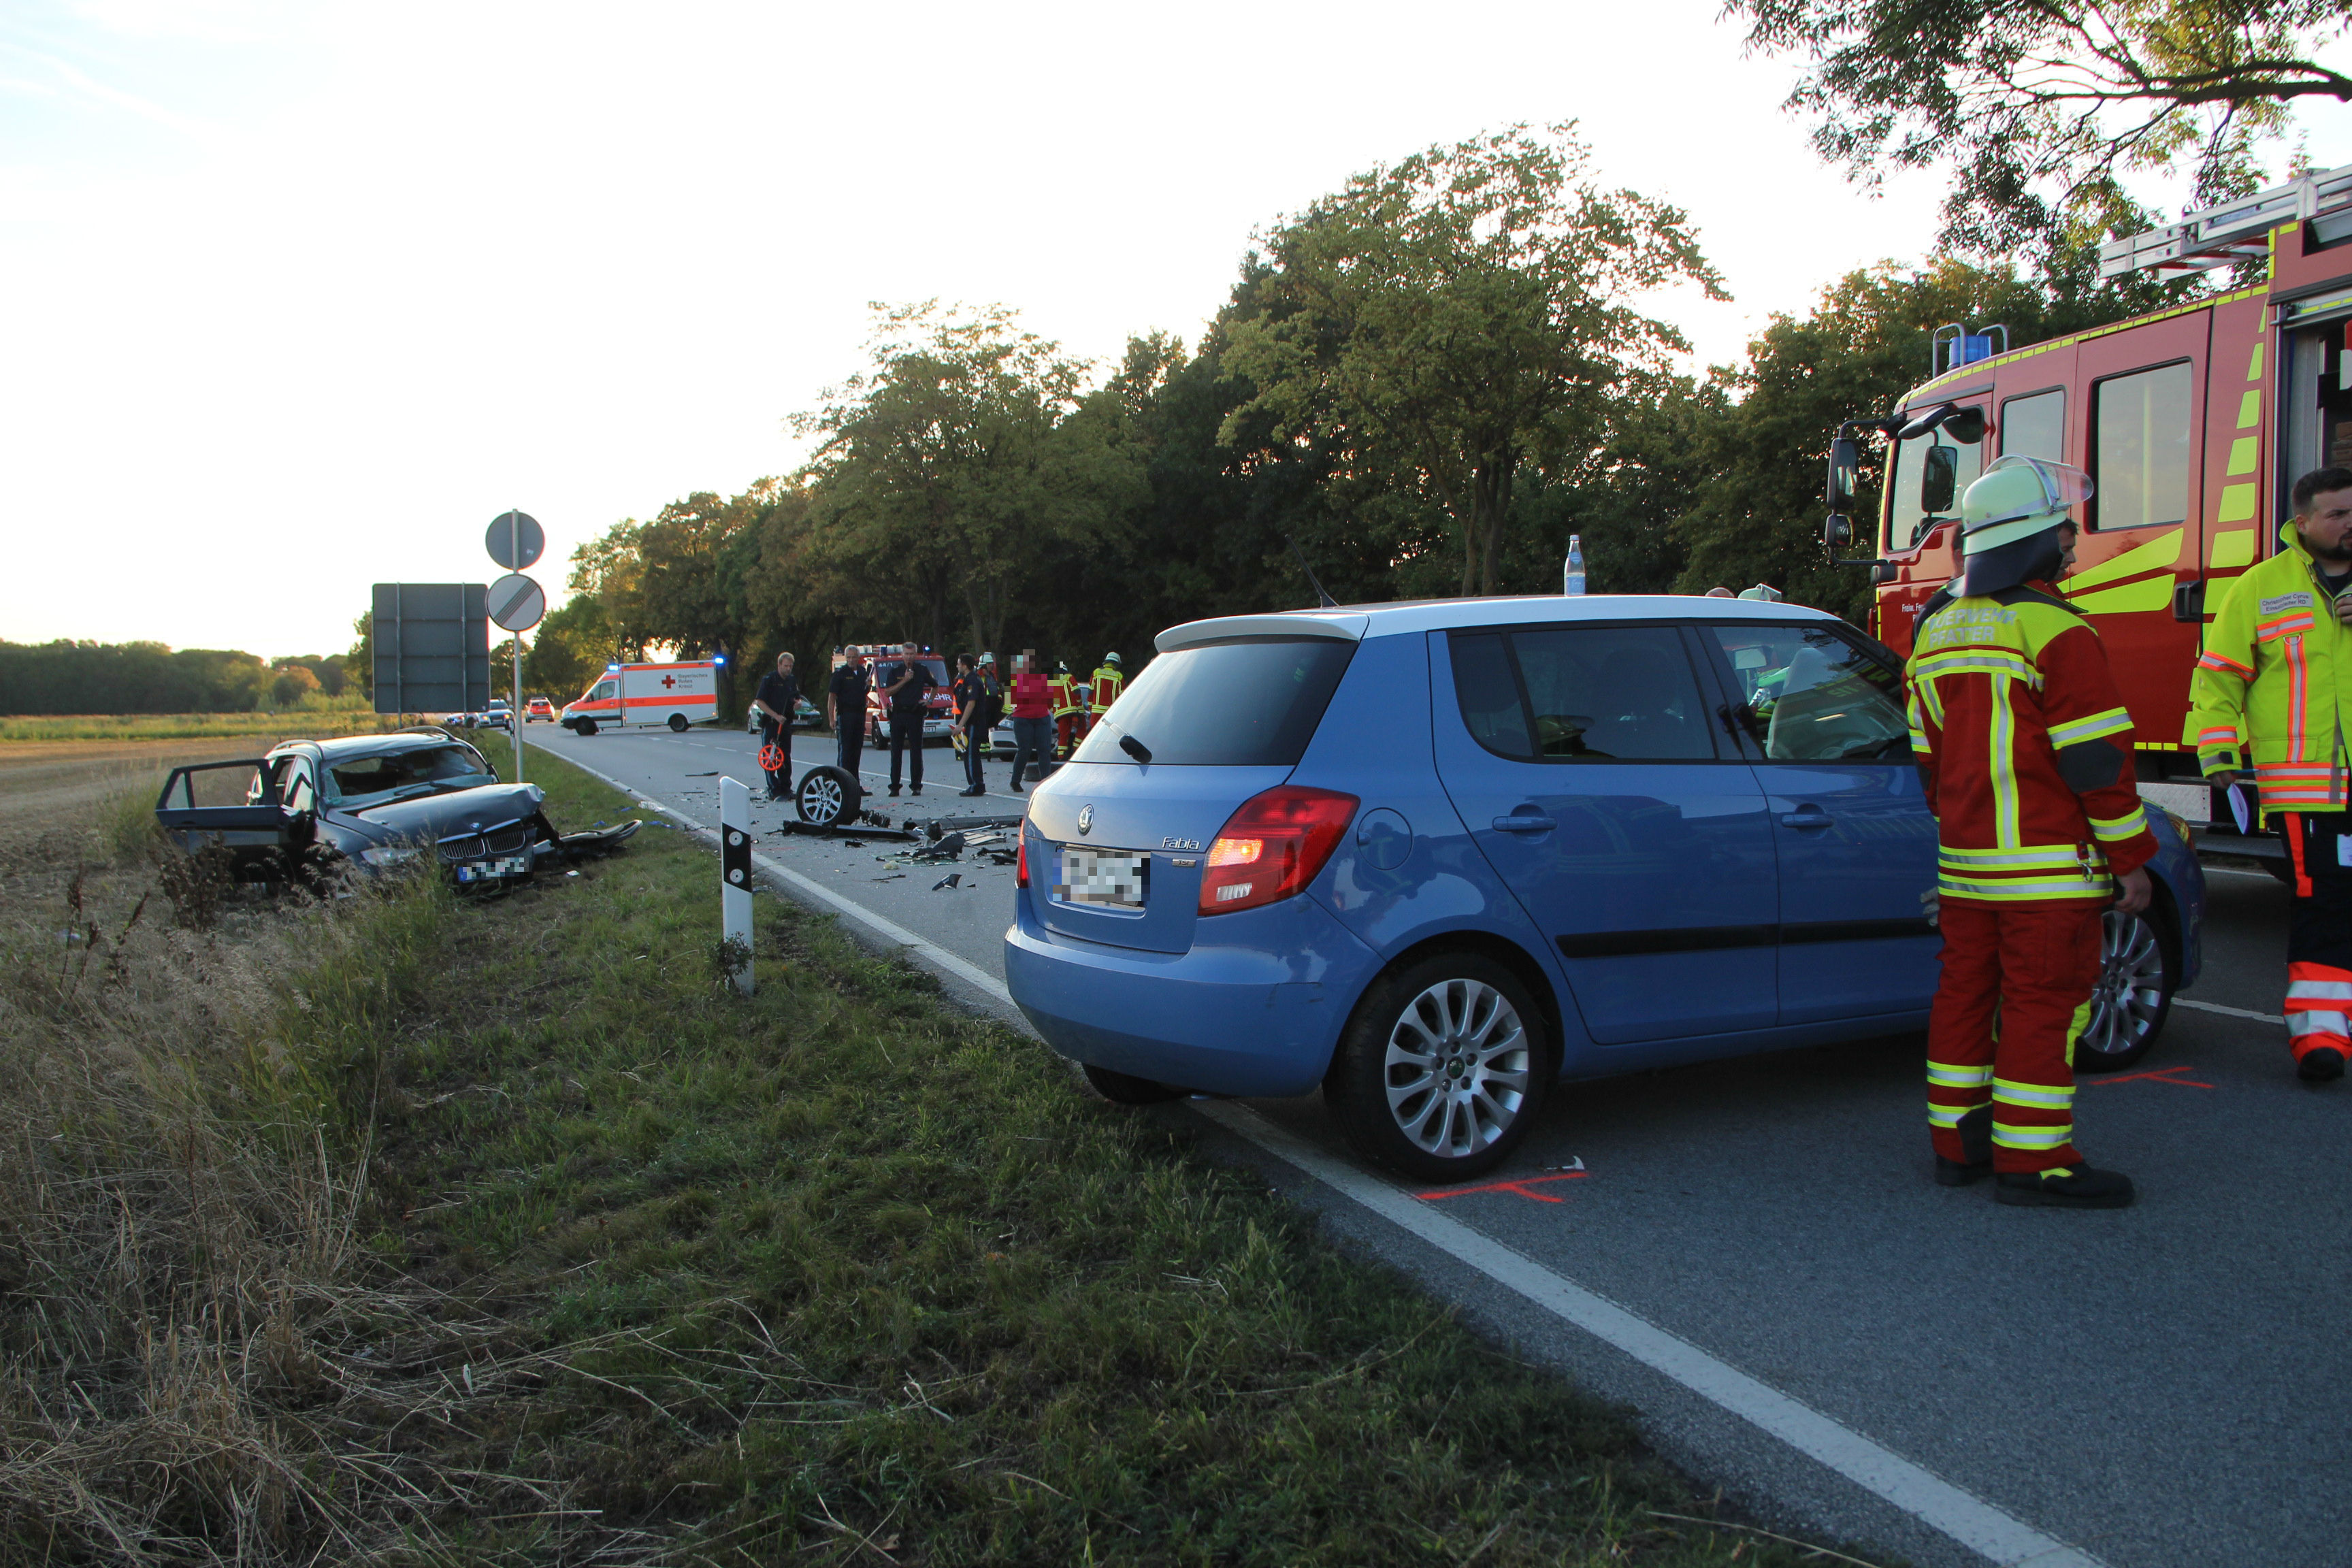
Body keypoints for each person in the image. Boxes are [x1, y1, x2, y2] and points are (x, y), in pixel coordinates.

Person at [1905, 455, 2157, 1209]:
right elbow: (2098, 765)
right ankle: (2035, 1161)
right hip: (2049, 870)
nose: (2074, 549)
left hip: (1968, 866)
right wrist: (2133, 861)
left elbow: (1928, 759)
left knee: (1964, 997)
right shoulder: (2057, 629)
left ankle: (1958, 1146)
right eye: (2065, 537)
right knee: (2045, 1005)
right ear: (2037, 542)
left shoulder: (1937, 630)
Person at [2189, 466, 2352, 1081]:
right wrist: (2220, 755)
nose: (2349, 524)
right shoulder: (2261, 586)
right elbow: (2219, 676)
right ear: (2302, 522)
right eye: (2338, 514)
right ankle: (2320, 1038)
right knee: (2326, 906)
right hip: (2307, 788)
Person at [879, 641, 936, 797]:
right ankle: (895, 786)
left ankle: (916, 785)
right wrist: (904, 680)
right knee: (896, 752)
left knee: (916, 751)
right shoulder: (895, 671)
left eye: (912, 654)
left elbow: (935, 685)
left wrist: (929, 700)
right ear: (902, 655)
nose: (909, 657)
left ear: (916, 655)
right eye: (906, 654)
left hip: (915, 714)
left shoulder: (922, 670)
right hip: (898, 714)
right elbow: (888, 692)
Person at [750, 651, 800, 801]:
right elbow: (760, 701)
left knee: (785, 757)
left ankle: (786, 788)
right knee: (771, 757)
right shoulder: (769, 680)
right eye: (786, 666)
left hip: (786, 724)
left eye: (791, 666)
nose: (788, 669)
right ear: (779, 665)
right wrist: (775, 716)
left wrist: (798, 704)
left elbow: (796, 698)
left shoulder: (791, 680)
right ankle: (774, 789)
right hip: (772, 724)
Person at [1007, 649, 1053, 791]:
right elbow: (1010, 701)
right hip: (1024, 719)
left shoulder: (1043, 679)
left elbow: (1050, 699)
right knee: (1025, 750)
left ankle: (1045, 781)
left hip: (1039, 718)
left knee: (1043, 751)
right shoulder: (1015, 680)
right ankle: (1015, 780)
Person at [826, 648, 871, 780]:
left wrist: (868, 686)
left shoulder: (863, 672)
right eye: (849, 657)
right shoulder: (840, 674)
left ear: (858, 657)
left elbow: (863, 692)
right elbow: (832, 697)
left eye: (853, 657)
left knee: (856, 751)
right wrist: (831, 719)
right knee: (845, 751)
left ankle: (855, 784)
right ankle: (842, 782)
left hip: (859, 715)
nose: (851, 660)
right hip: (845, 716)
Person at [951, 653, 989, 796]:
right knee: (971, 753)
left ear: (965, 666)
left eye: (959, 663)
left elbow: (971, 703)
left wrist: (960, 725)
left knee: (972, 754)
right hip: (973, 722)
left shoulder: (972, 680)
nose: (957, 666)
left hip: (974, 723)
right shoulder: (967, 679)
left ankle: (976, 785)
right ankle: (977, 783)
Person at [1048, 659, 1081, 758]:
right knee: (1080, 732)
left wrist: (1055, 711)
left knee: (1063, 736)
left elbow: (1048, 702)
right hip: (1072, 711)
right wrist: (1079, 706)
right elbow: (1076, 691)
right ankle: (1076, 755)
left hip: (1060, 715)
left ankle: (1061, 757)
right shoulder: (1068, 677)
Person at [1087, 651, 1124, 737]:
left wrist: (1091, 708)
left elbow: (1090, 692)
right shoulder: (1119, 676)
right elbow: (1122, 696)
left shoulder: (1096, 673)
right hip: (1110, 713)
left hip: (1096, 713)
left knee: (1094, 737)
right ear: (1116, 663)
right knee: (1106, 737)